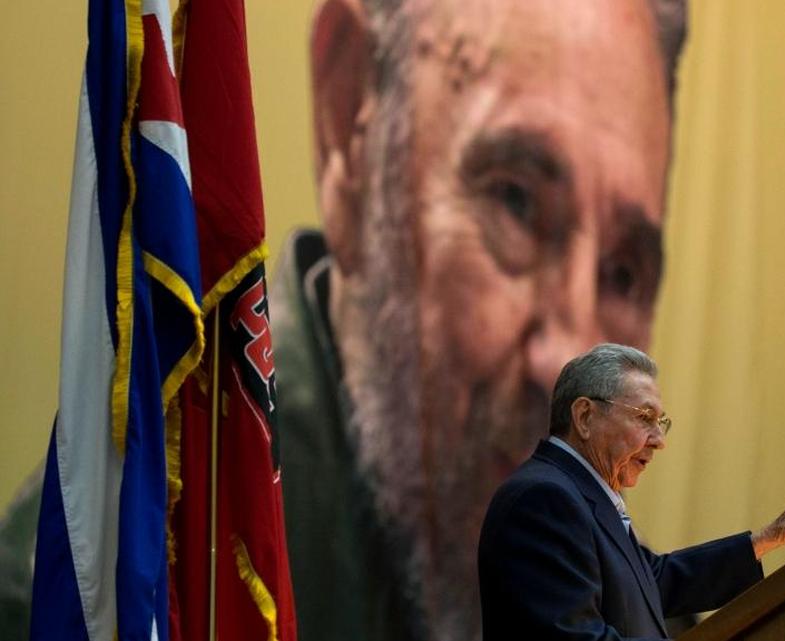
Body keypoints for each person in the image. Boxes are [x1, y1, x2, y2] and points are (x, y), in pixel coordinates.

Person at [272, 1, 690, 640]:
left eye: (623, 273)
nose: (570, 356)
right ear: (349, 124)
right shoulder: (200, 531)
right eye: (516, 200)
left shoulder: (640, 600)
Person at [479, 344, 785, 639]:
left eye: (660, 423)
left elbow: (651, 581)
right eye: (644, 418)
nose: (659, 441)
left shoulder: (576, 493)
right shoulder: (544, 500)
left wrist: (766, 539)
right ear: (585, 417)